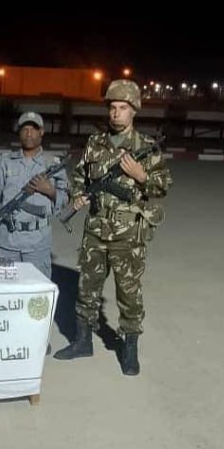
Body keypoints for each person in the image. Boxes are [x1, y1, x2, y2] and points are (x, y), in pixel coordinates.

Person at [53, 80, 172, 376]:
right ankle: (82, 341)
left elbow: (162, 186)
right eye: (113, 108)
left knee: (129, 294)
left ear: (134, 111)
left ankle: (129, 348)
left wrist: (142, 176)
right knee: (87, 288)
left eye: (123, 108)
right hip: (95, 230)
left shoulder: (144, 147)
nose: (116, 113)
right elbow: (79, 175)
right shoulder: (96, 143)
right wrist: (77, 194)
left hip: (128, 235)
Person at [0, 111, 68, 279]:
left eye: (33, 129)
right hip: (8, 240)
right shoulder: (5, 161)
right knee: (7, 289)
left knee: (37, 290)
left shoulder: (53, 164)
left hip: (38, 243)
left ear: (42, 132)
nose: (29, 133)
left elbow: (65, 201)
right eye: (25, 129)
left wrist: (49, 190)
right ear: (19, 132)